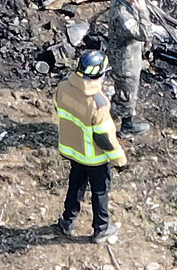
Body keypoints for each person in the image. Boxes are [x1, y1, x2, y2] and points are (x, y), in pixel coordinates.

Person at [55, 49, 125, 243]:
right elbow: (103, 137)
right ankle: (101, 229)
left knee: (75, 184)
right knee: (100, 191)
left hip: (73, 149)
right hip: (94, 157)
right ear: (100, 74)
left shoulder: (63, 86)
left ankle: (67, 220)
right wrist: (119, 160)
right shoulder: (98, 103)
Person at [103, 0, 154, 137]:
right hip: (125, 60)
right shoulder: (122, 15)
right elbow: (144, 34)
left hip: (128, 55)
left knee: (124, 91)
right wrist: (143, 12)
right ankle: (126, 126)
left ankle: (111, 116)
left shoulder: (122, 0)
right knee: (127, 92)